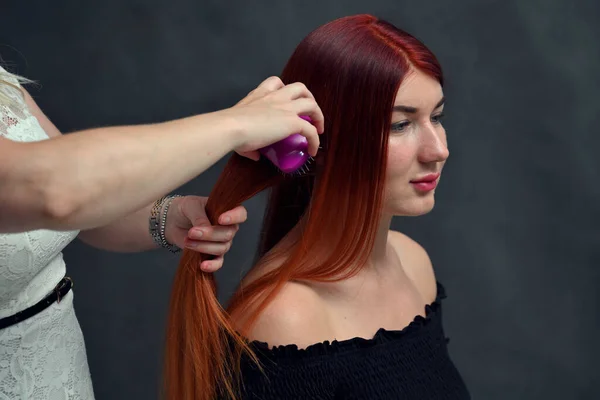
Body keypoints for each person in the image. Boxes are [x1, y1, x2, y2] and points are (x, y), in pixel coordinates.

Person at [164, 14, 471, 400]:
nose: (439, 150)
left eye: (437, 117)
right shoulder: (284, 321)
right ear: (316, 140)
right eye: (399, 125)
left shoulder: (414, 265)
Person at [0, 58, 324, 399]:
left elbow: (80, 202)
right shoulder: (286, 317)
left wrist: (167, 218)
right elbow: (51, 190)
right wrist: (236, 123)